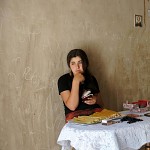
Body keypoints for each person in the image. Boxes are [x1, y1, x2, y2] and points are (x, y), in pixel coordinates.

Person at [58, 49, 103, 122]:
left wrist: (95, 99)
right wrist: (76, 81)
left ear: (85, 63)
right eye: (73, 63)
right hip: (76, 118)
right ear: (69, 65)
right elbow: (72, 106)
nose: (77, 67)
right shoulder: (63, 80)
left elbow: (102, 103)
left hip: (96, 114)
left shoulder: (91, 78)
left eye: (80, 62)